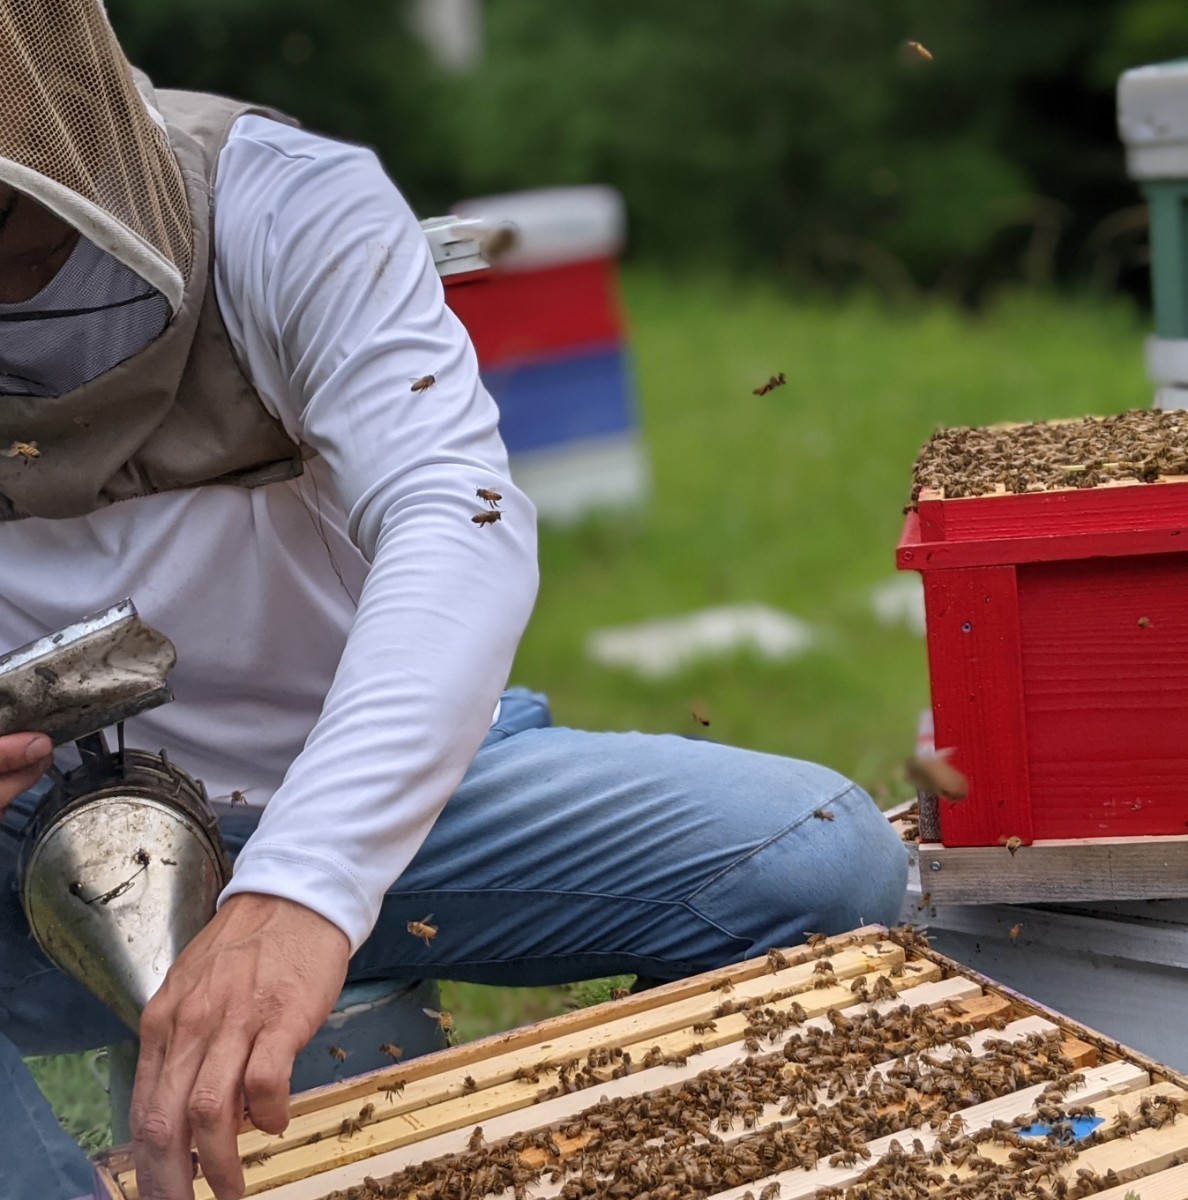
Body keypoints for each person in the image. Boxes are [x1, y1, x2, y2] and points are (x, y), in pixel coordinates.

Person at [0, 5, 909, 1200]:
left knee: (818, 865)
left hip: (359, 799)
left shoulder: (284, 206)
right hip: (21, 862)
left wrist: (304, 887)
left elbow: (454, 519)